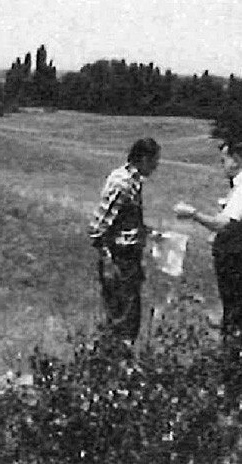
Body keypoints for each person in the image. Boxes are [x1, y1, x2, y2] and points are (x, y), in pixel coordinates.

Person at [173, 138, 242, 396]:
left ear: (237, 157)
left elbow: (224, 223)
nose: (222, 166)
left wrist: (193, 214)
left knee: (241, 320)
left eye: (224, 160)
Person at [88, 137, 161, 342]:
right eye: (155, 160)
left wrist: (146, 232)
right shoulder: (123, 183)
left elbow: (122, 220)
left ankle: (116, 359)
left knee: (126, 312)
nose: (156, 166)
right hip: (121, 257)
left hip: (128, 255)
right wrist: (108, 259)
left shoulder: (132, 181)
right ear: (144, 159)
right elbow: (97, 227)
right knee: (123, 315)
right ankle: (116, 361)